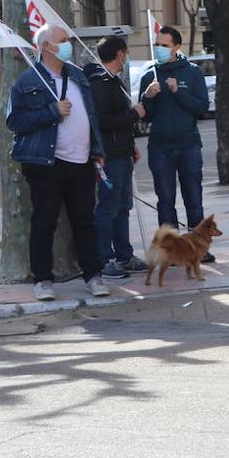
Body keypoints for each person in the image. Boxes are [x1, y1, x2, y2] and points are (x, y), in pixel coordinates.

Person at [7, 25, 108, 301]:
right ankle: (42, 279)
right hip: (47, 163)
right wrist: (52, 111)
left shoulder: (77, 76)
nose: (68, 45)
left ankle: (93, 275)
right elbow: (14, 121)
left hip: (82, 161)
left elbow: (91, 115)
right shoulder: (27, 81)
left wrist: (97, 149)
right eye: (63, 41)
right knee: (44, 221)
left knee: (85, 221)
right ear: (47, 46)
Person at [139, 26, 211, 260]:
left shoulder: (192, 72)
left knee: (194, 197)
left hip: (189, 144)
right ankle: (169, 250)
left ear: (177, 47)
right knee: (165, 200)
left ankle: (198, 249)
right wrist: (147, 97)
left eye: (165, 45)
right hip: (160, 147)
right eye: (157, 45)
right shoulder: (149, 74)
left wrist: (177, 92)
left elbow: (201, 108)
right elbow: (146, 115)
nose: (160, 49)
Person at [86, 37, 148, 280]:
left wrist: (131, 145)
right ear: (120, 54)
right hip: (109, 156)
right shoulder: (100, 83)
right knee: (109, 207)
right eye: (125, 53)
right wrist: (134, 114)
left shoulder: (113, 81)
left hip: (121, 152)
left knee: (123, 207)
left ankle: (124, 255)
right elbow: (103, 121)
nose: (126, 57)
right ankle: (105, 257)